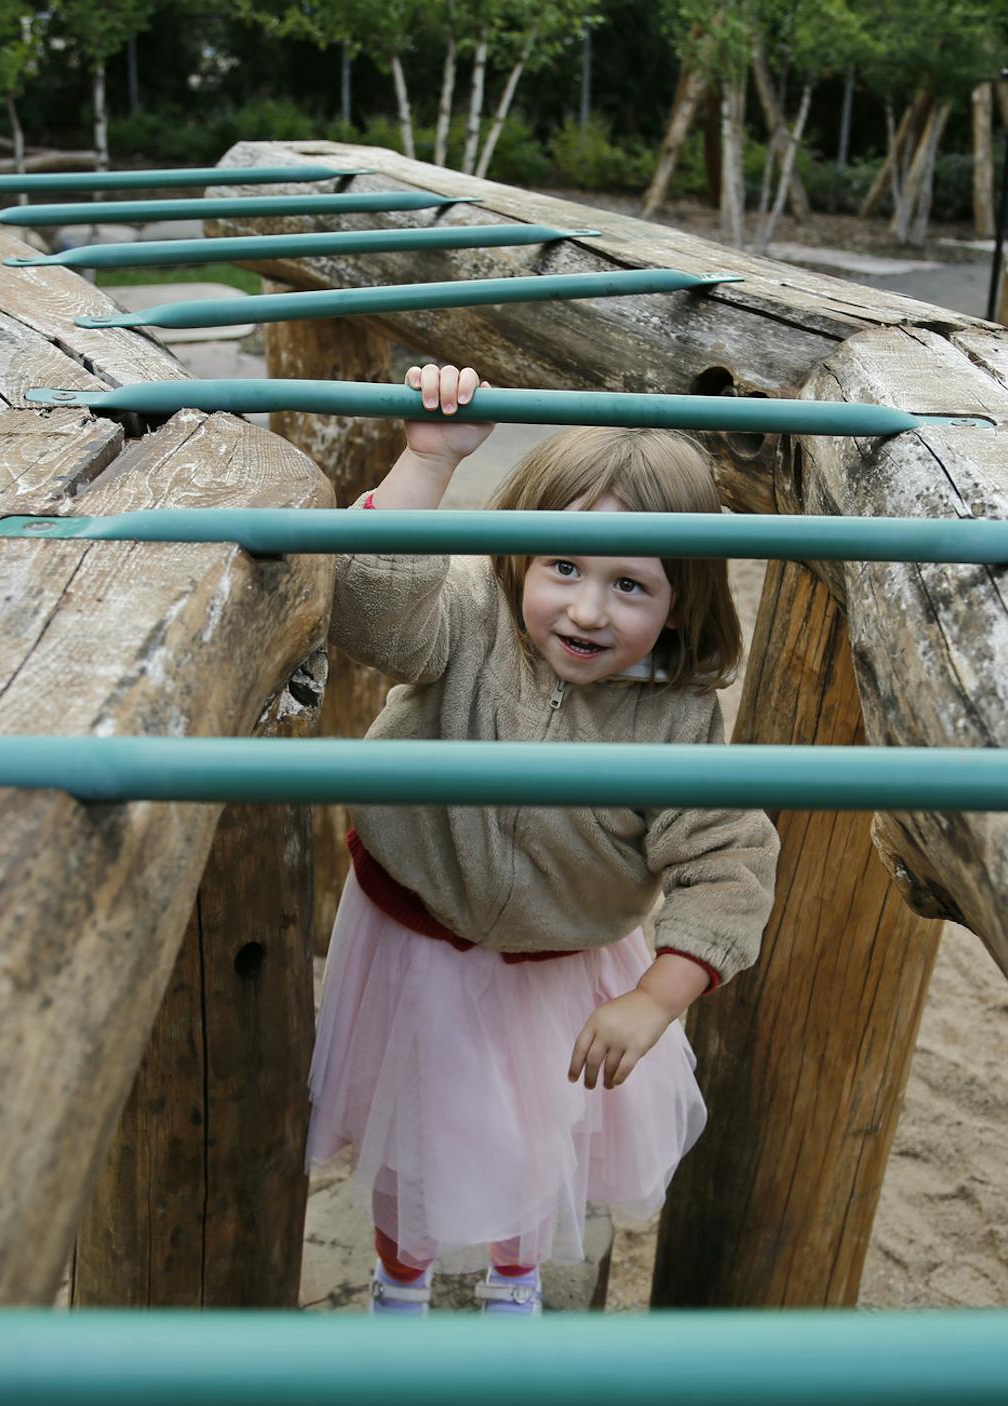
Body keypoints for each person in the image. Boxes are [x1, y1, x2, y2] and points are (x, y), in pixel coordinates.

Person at [307, 363, 780, 1318]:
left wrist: (658, 997)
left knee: (533, 1135)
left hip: (558, 962)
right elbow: (373, 603)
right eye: (562, 564)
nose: (587, 610)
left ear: (683, 602)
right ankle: (399, 1287)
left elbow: (728, 863)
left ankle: (514, 1289)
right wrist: (429, 461)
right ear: (519, 553)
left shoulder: (680, 721)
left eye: (630, 585)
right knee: (412, 1132)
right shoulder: (469, 623)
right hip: (415, 938)